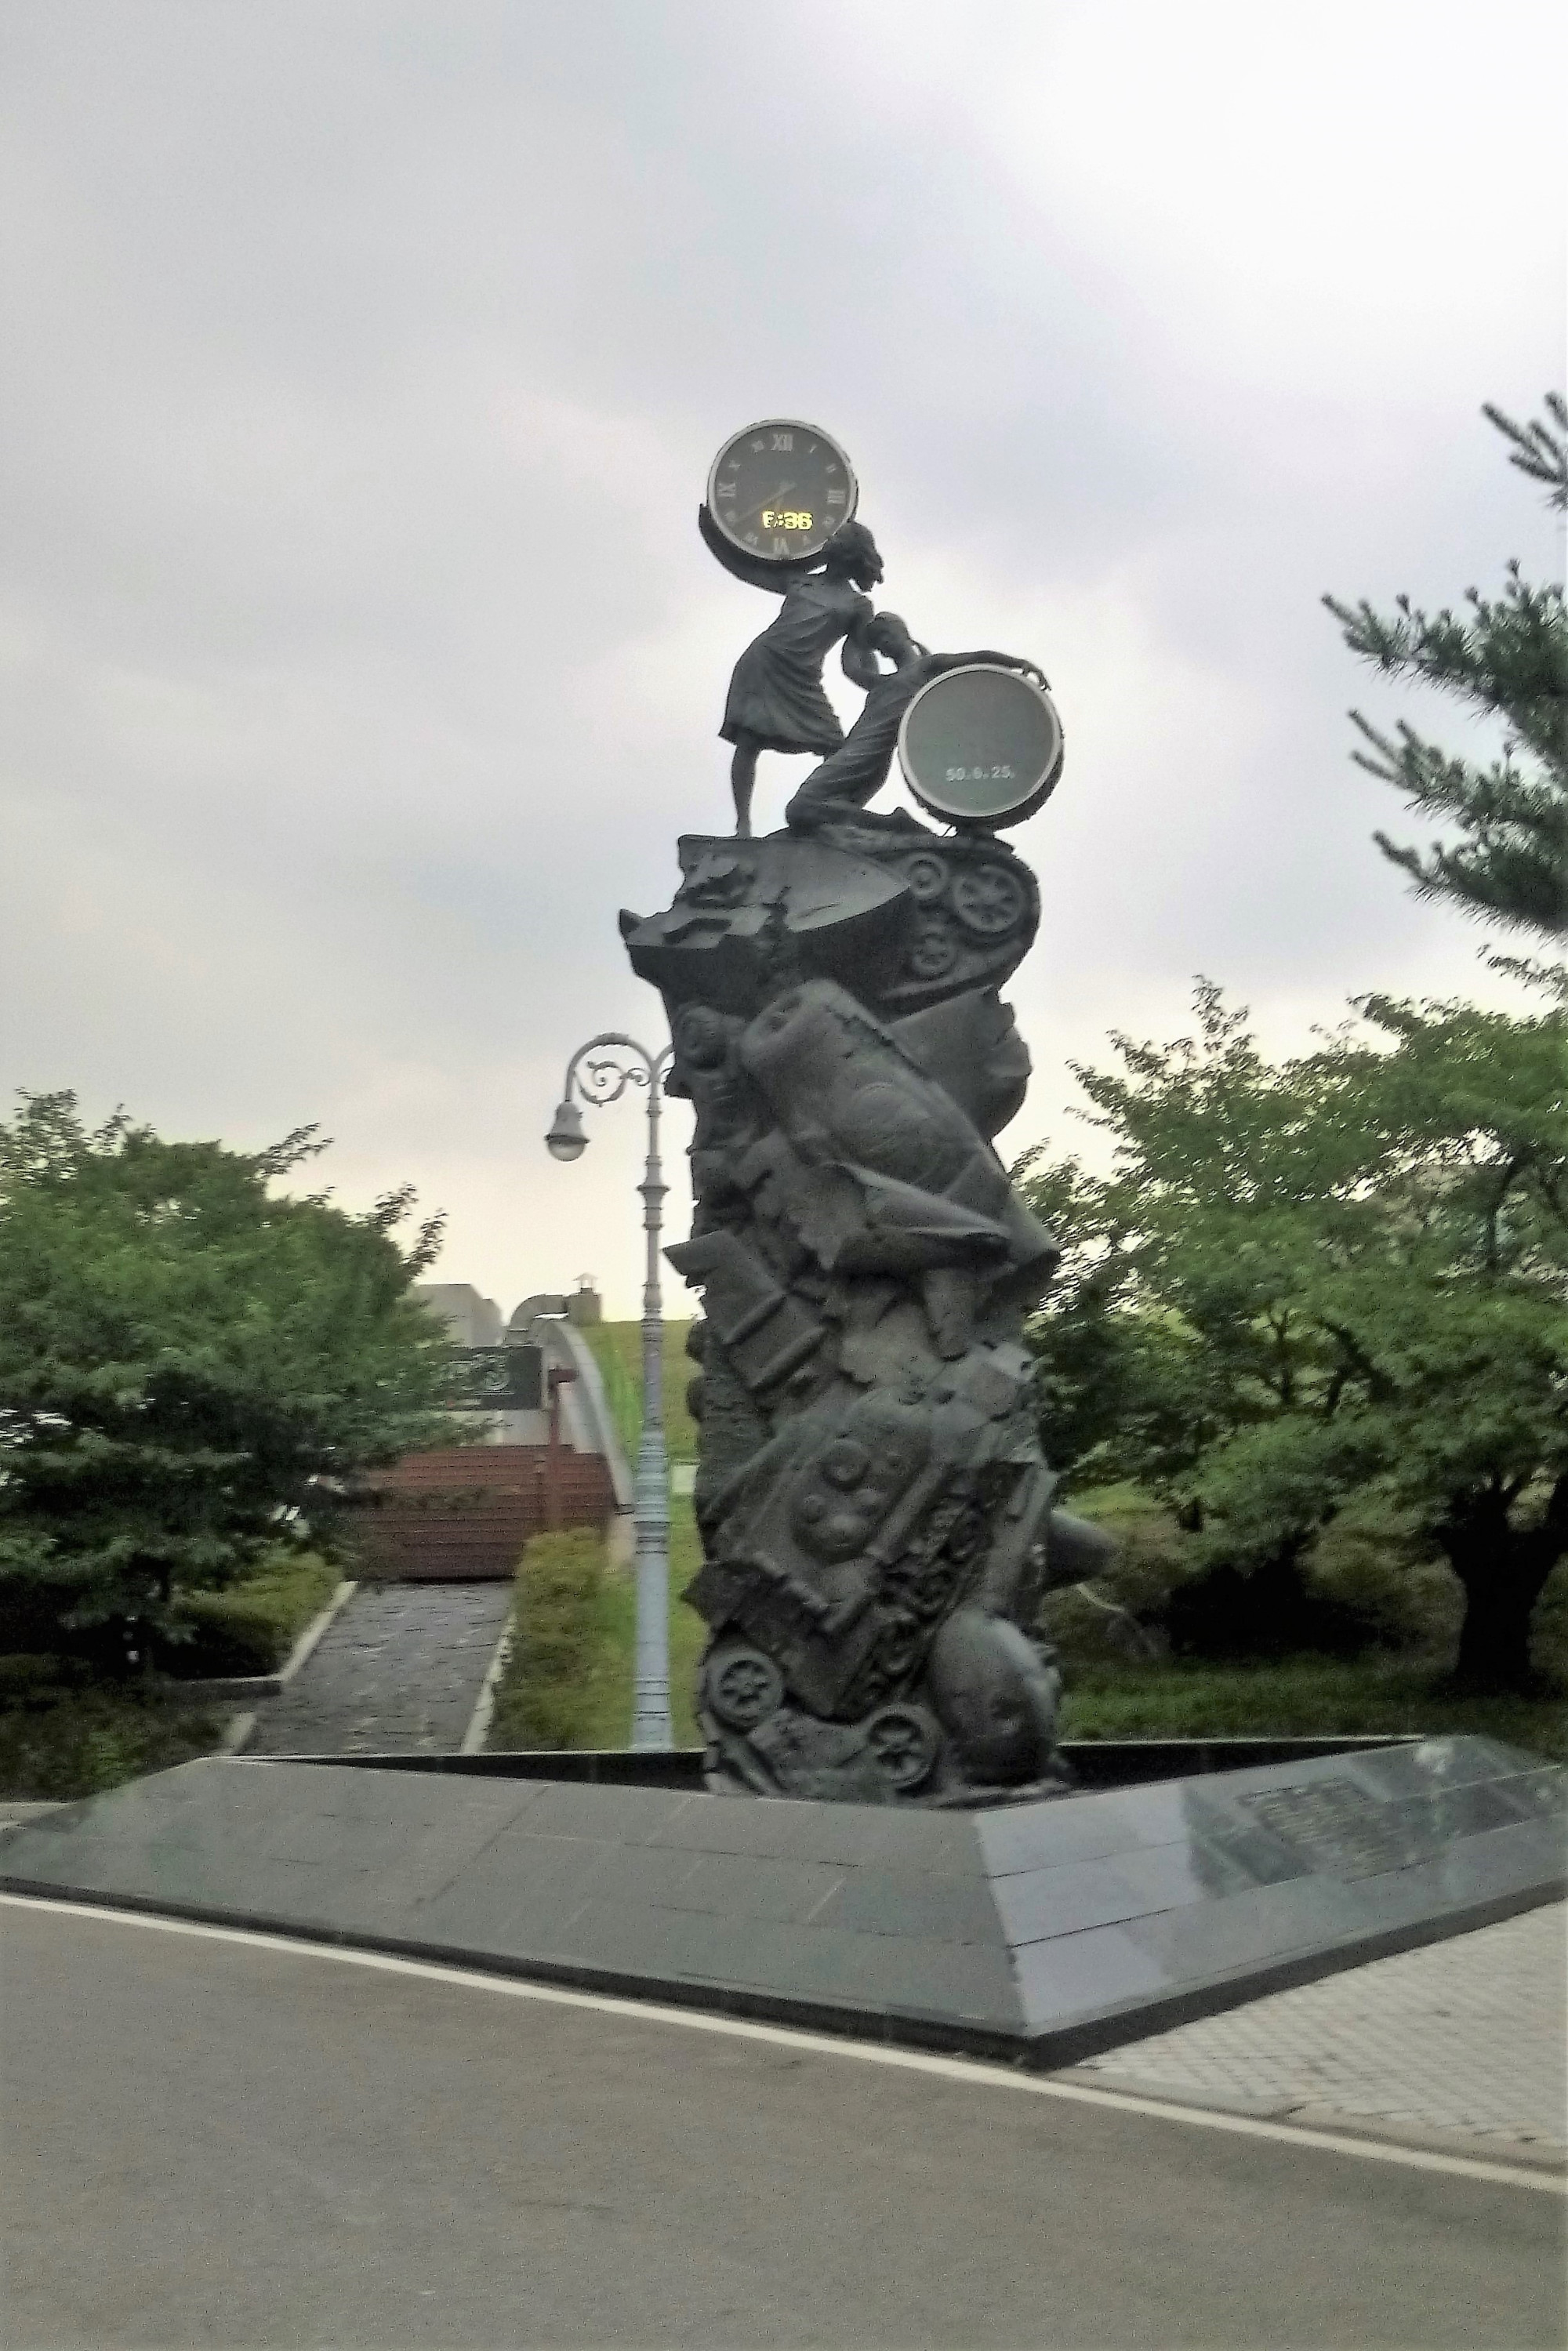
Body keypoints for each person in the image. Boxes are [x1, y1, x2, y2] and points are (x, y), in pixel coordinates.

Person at [706, 514, 886, 837]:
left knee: (837, 748)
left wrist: (880, 684)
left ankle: (833, 815)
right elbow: (746, 570)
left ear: (851, 553)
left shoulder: (857, 605)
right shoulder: (800, 581)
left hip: (802, 677)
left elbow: (855, 661)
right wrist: (714, 535)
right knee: (749, 740)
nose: (831, 542)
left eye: (839, 539)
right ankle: (742, 825)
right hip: (765, 661)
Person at [785, 613, 1047, 832]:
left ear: (903, 633)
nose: (883, 646)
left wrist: (1017, 663)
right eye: (877, 644)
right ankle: (891, 828)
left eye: (886, 636)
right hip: (854, 754)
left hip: (867, 757)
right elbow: (851, 668)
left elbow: (974, 658)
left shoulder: (926, 669)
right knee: (824, 819)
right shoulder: (881, 683)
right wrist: (857, 622)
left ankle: (895, 824)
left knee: (801, 807)